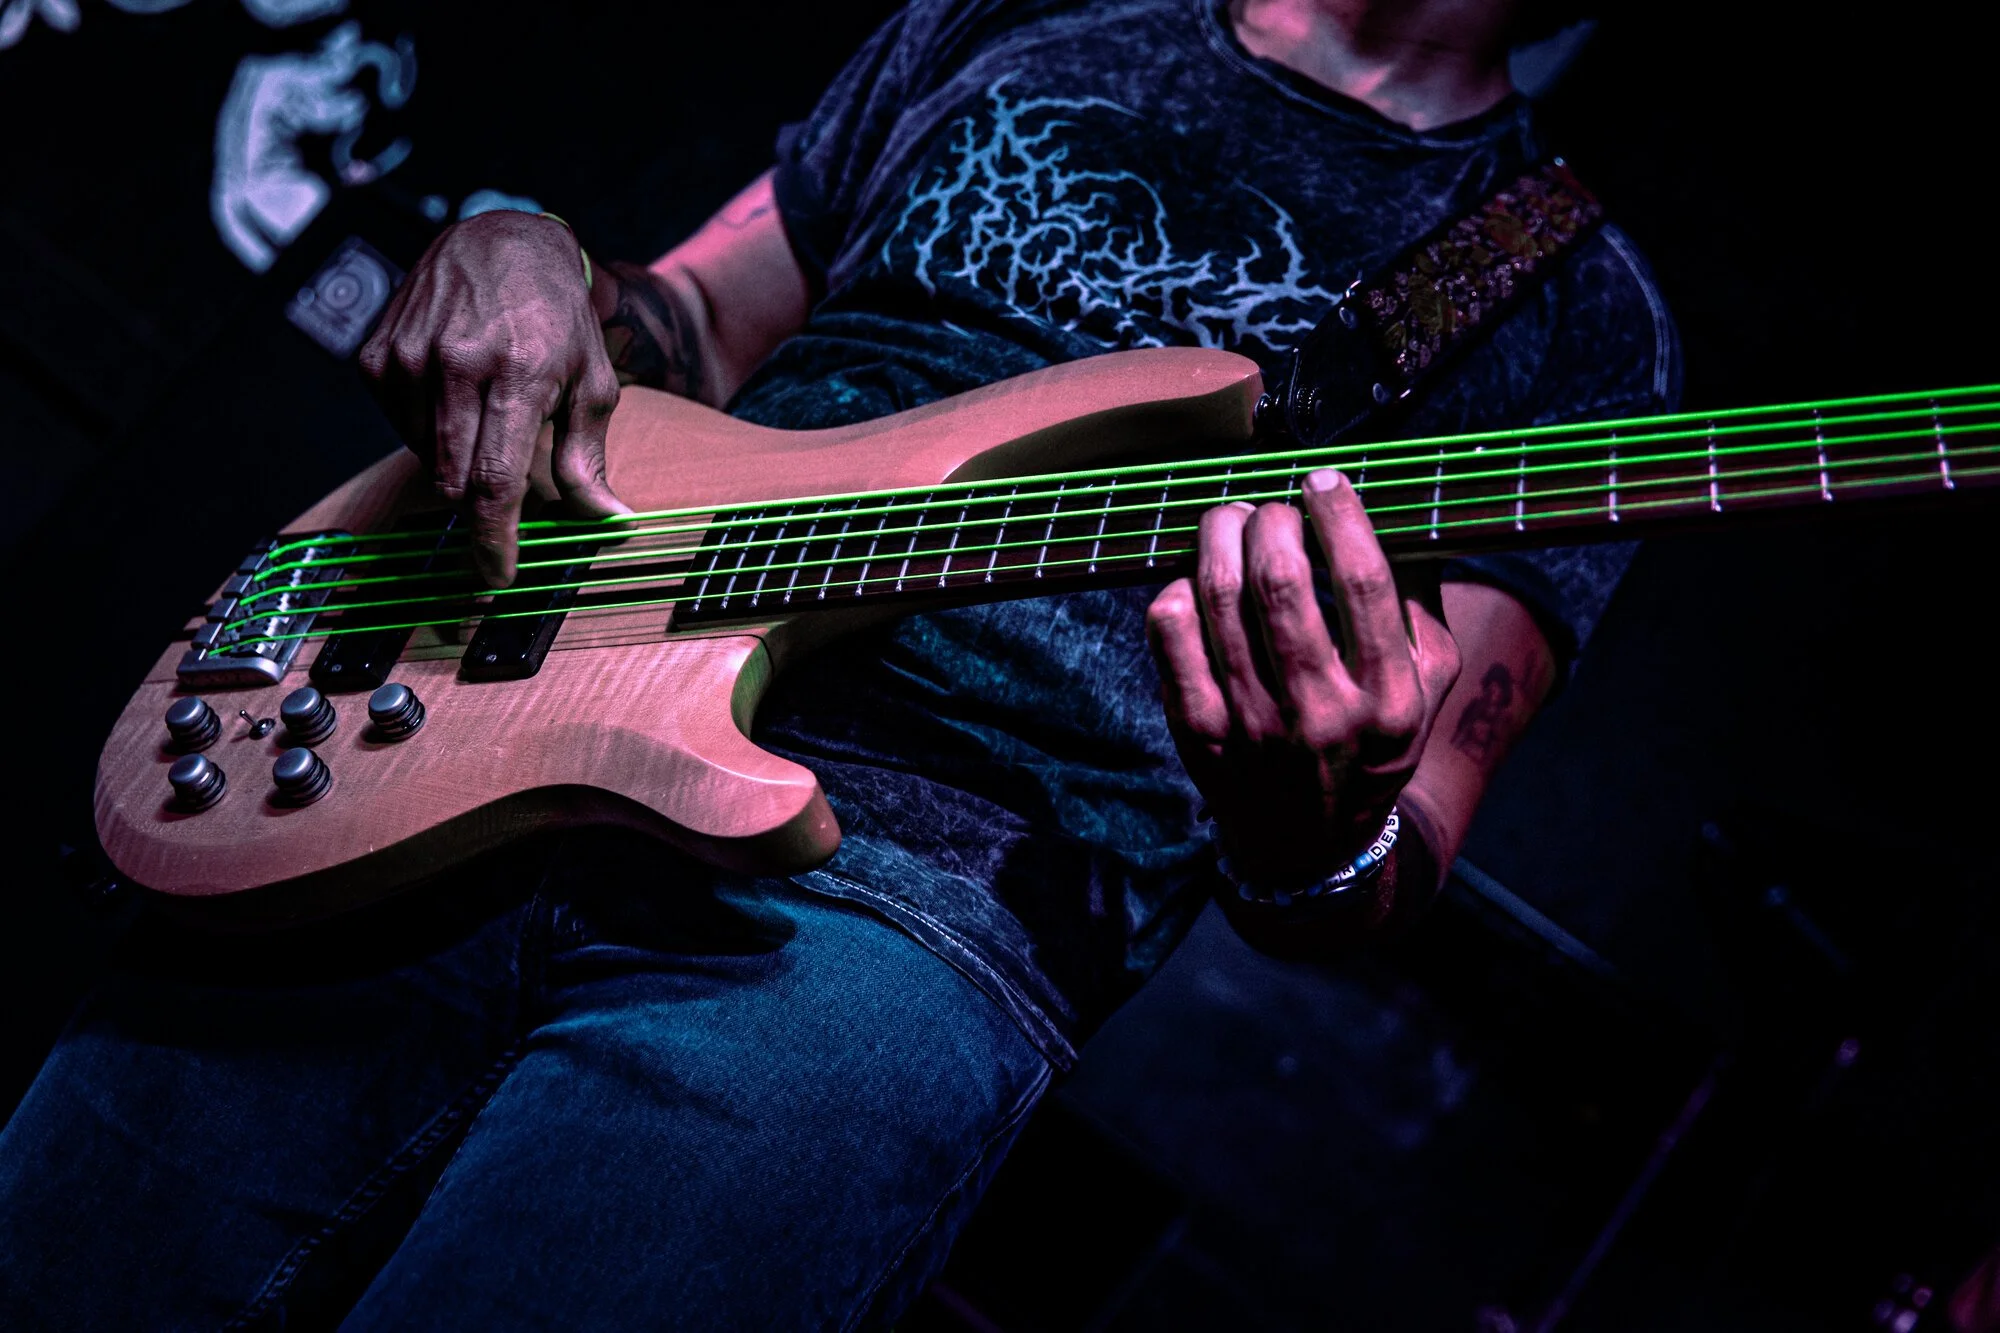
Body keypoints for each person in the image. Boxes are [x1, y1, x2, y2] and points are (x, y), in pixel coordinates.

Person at [0, 0, 1677, 1326]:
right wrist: (525, 249)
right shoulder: (1026, 14)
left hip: (894, 924)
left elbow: (1402, 847)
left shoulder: (1572, 300)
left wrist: (1320, 814)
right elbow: (687, 320)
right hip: (479, 717)